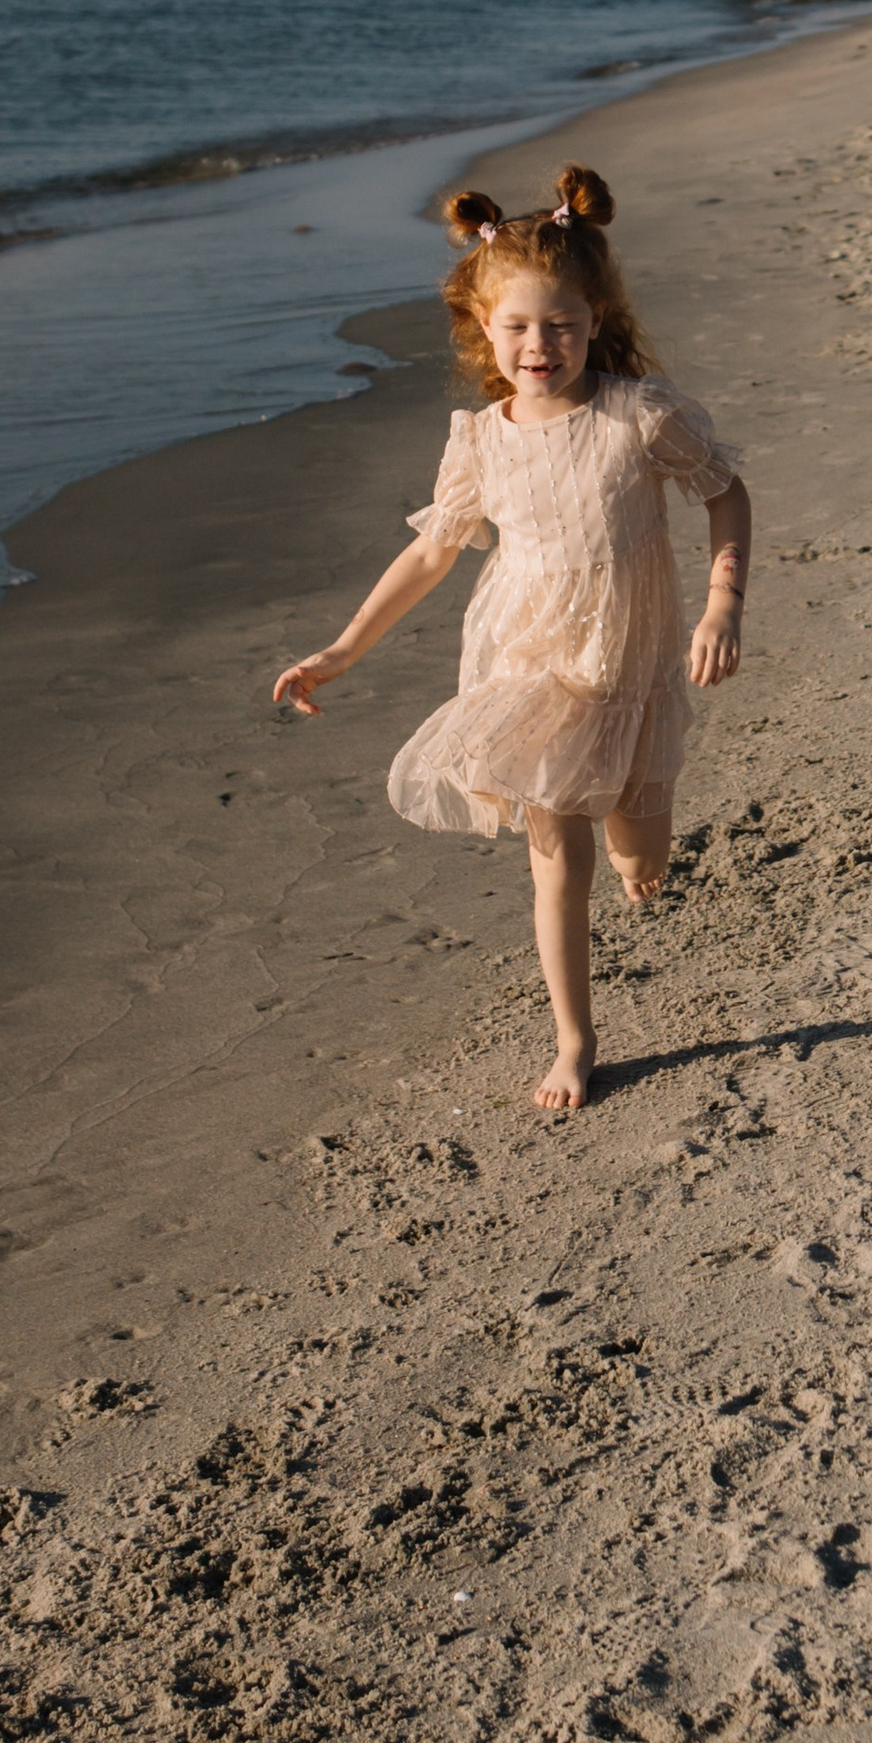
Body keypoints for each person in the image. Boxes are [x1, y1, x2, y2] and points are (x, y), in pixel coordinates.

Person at [272, 165, 749, 1112]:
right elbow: (431, 555)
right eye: (518, 327)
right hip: (530, 663)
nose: (540, 345)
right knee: (556, 856)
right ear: (483, 330)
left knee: (639, 852)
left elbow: (725, 493)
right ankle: (575, 1040)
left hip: (629, 660)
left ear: (596, 319)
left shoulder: (637, 415)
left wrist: (722, 602)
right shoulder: (480, 439)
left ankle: (638, 848)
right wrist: (344, 647)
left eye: (561, 325)